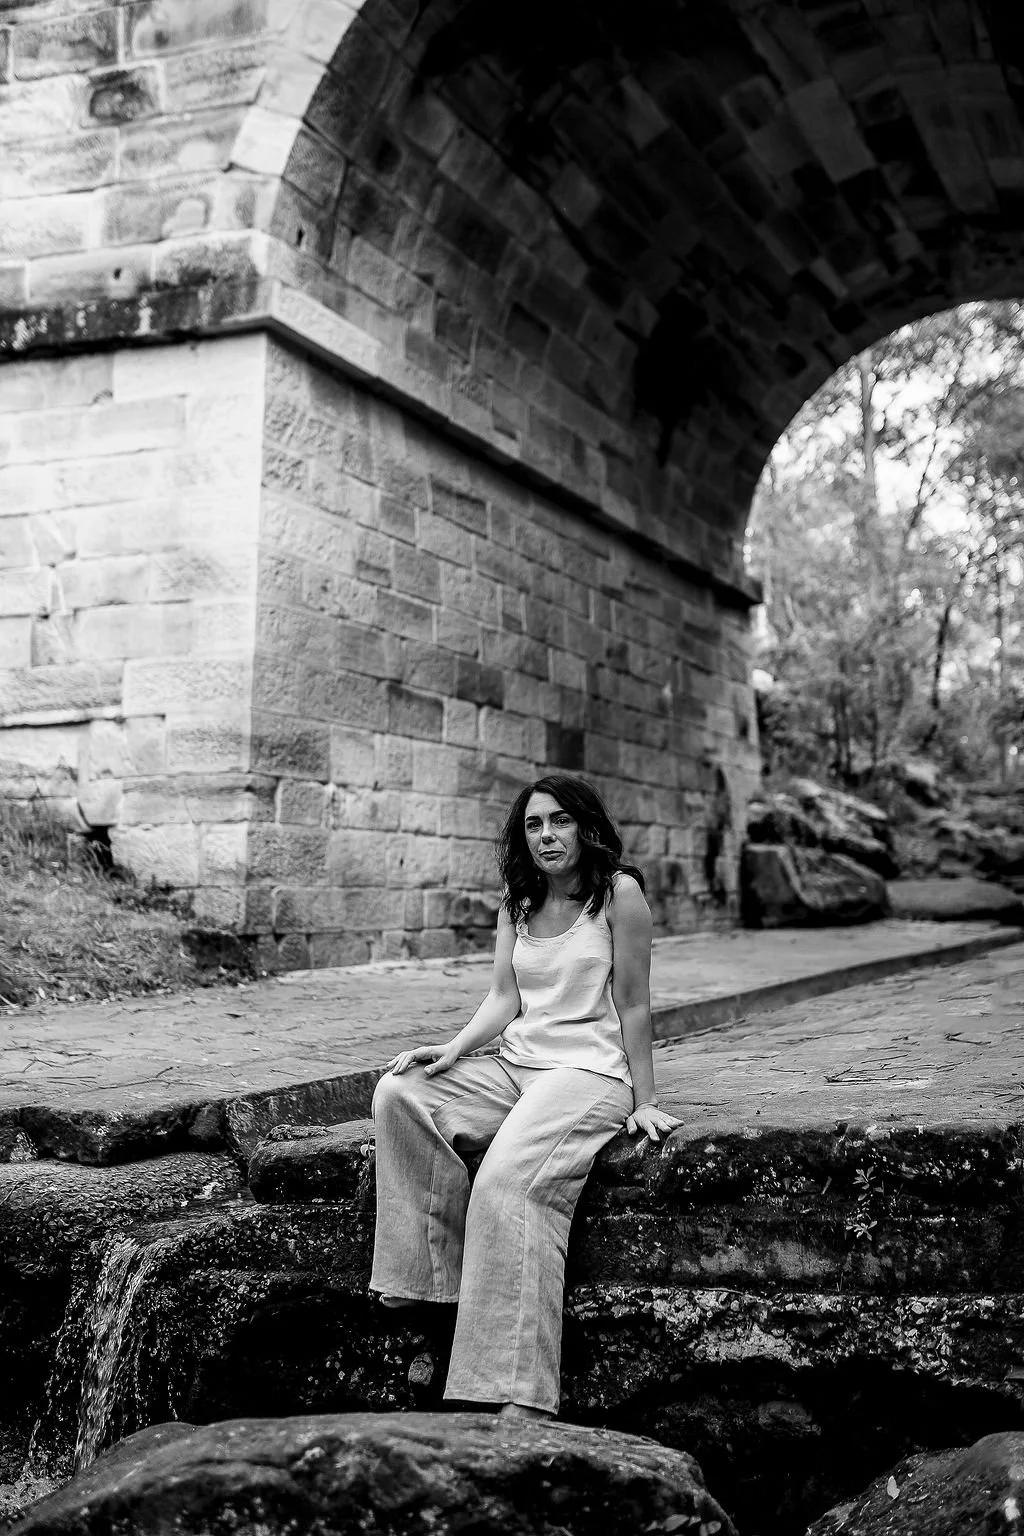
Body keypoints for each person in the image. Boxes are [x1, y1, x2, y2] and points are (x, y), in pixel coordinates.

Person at [369, 774, 680, 1420]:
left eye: (560, 821)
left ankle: (515, 1390)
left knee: (506, 1181)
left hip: (588, 1074)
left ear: (586, 827)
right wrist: (453, 1049)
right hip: (517, 1067)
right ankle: (427, 1277)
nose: (547, 835)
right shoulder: (518, 902)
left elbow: (634, 1003)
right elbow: (504, 998)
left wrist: (645, 1098)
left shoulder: (619, 895)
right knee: (401, 1093)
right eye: (534, 825)